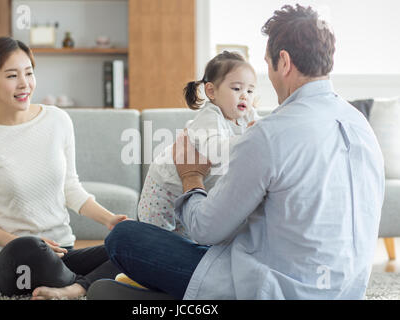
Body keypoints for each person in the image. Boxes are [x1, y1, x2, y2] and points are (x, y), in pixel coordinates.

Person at [103, 4, 385, 299]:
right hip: (347, 290)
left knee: (124, 237)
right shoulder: (361, 126)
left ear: (284, 62)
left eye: (268, 64)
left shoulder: (269, 134)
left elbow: (204, 229)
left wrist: (191, 175)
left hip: (270, 288)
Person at [0, 37, 128, 300]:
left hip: (63, 253)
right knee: (31, 246)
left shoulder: (58, 120)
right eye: (12, 75)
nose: (24, 83)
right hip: (14, 259)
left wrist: (110, 219)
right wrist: (18, 242)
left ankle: (74, 287)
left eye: (29, 73)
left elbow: (71, 187)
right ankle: (91, 283)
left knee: (131, 245)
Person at [138, 51, 259, 238]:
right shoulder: (210, 117)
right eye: (236, 89)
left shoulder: (247, 116)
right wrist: (250, 138)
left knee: (187, 241)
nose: (245, 96)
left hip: (191, 194)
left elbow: (264, 131)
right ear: (211, 91)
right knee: (154, 238)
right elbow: (216, 151)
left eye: (250, 91)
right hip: (164, 189)